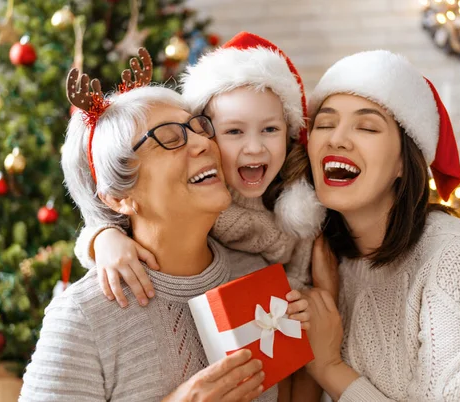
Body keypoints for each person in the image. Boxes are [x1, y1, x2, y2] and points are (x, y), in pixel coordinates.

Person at [19, 49, 308, 401]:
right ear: (118, 197)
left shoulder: (258, 275)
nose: (204, 143)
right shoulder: (82, 317)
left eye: (199, 127)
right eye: (170, 138)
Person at [297, 50, 460, 401]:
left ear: (405, 160)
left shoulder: (454, 259)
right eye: (324, 124)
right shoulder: (319, 255)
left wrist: (329, 367)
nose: (336, 139)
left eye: (367, 126)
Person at [73, 32, 327, 309]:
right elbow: (129, 211)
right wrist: (102, 239)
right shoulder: (197, 196)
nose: (254, 147)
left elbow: (303, 281)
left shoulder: (301, 201)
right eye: (233, 131)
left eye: (270, 129)